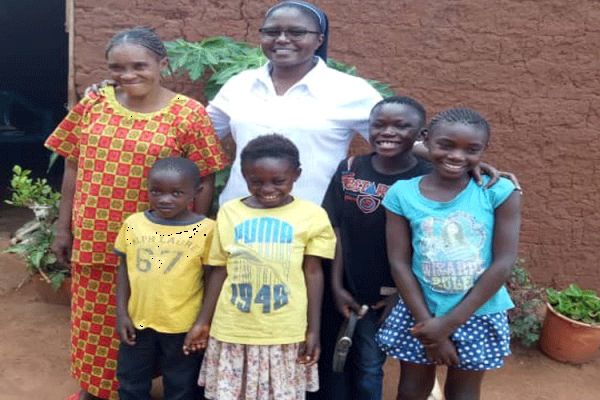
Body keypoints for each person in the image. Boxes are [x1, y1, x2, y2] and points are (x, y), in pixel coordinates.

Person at [45, 27, 228, 400]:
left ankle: (141, 387)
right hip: (96, 234)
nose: (128, 75)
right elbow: (73, 167)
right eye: (118, 67)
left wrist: (193, 237)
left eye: (139, 66)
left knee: (160, 317)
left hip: (162, 246)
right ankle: (95, 388)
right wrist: (63, 229)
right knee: (94, 320)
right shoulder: (94, 105)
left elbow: (205, 177)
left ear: (162, 64)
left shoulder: (188, 114)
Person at [376, 108, 521, 400]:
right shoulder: (402, 194)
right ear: (427, 141)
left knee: (464, 391)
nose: (456, 156)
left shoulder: (498, 191)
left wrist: (448, 324)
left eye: (471, 149)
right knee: (412, 388)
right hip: (419, 310)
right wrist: (428, 326)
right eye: (446, 145)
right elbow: (399, 262)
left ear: (485, 150)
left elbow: (503, 262)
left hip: (477, 311)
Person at [183, 134, 336, 400]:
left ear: (296, 175)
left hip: (283, 329)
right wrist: (203, 321)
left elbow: (313, 273)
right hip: (233, 328)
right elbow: (220, 269)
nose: (267, 189)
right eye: (256, 181)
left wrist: (313, 329)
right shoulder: (230, 211)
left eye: (278, 181)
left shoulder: (312, 216)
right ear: (243, 175)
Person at [207, 0, 383, 206]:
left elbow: (399, 140)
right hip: (239, 215)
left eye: (296, 32)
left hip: (314, 223)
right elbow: (199, 135)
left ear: (319, 40)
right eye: (271, 32)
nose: (282, 39)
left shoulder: (350, 90)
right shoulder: (240, 84)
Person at [321, 96, 431, 399]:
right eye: (379, 125)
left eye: (401, 126)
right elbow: (338, 229)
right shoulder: (351, 168)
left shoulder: (426, 177)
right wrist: (336, 284)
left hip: (389, 293)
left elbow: (426, 243)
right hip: (346, 285)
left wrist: (401, 293)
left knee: (370, 363)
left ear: (422, 135)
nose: (388, 132)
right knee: (341, 359)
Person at [114, 157, 214, 399]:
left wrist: (203, 322)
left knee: (181, 384)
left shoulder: (207, 230)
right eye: (156, 191)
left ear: (196, 192)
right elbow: (124, 269)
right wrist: (122, 314)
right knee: (130, 380)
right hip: (139, 321)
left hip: (183, 325)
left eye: (176, 193)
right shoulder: (134, 224)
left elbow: (213, 280)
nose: (165, 199)